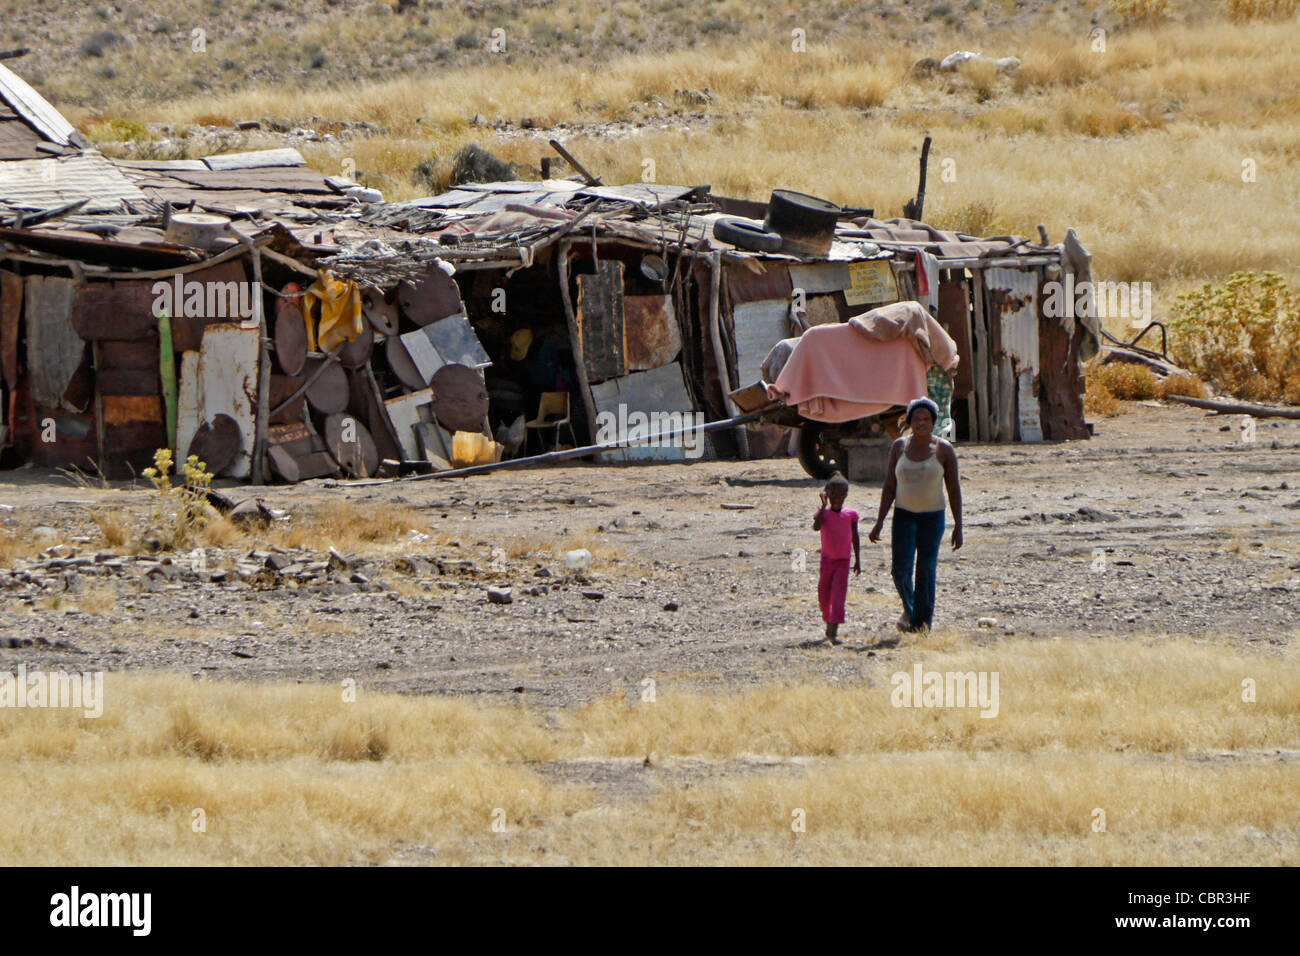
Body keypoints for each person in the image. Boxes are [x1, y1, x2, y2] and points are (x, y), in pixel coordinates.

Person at [867, 397, 963, 633]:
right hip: (904, 516)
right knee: (900, 570)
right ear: (910, 422)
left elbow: (953, 489)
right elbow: (890, 486)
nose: (922, 423)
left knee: (925, 571)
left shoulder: (944, 450)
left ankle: (921, 626)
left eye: (927, 419)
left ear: (934, 422)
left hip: (932, 518)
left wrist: (958, 525)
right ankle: (910, 609)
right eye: (917, 419)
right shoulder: (899, 447)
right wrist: (879, 521)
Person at [813, 472, 860, 644]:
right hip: (826, 561)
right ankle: (828, 622)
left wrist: (858, 560)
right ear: (827, 494)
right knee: (824, 595)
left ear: (846, 495)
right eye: (833, 495)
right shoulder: (823, 514)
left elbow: (855, 538)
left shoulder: (850, 515)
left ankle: (833, 631)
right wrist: (823, 507)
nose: (837, 498)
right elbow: (816, 527)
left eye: (841, 495)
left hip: (843, 562)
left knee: (838, 596)